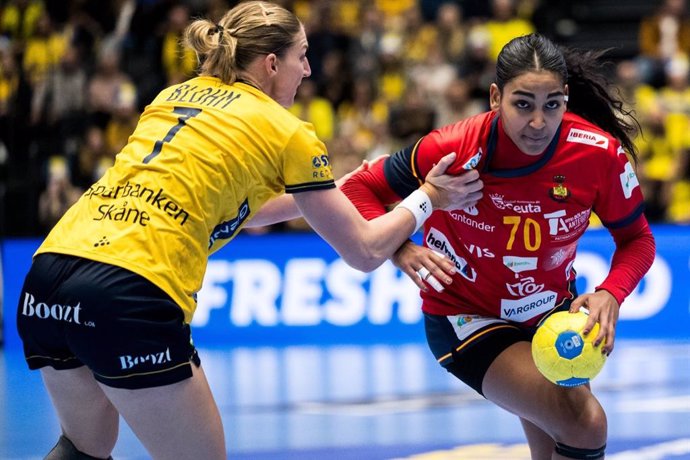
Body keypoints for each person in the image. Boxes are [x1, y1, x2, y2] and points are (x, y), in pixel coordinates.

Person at [15, 2, 483, 459]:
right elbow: (363, 251)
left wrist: (328, 190)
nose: (310, 70)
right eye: (302, 55)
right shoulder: (287, 130)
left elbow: (224, 207)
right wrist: (429, 198)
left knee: (84, 448)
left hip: (49, 273)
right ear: (273, 62)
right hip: (129, 287)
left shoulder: (174, 94)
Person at [338, 33, 656, 459]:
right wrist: (401, 247)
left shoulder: (598, 155)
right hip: (467, 315)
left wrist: (610, 293)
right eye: (523, 104)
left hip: (552, 316)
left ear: (565, 97)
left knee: (562, 441)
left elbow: (637, 239)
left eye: (552, 105)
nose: (538, 123)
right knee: (584, 424)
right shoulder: (454, 148)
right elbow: (359, 187)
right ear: (495, 97)